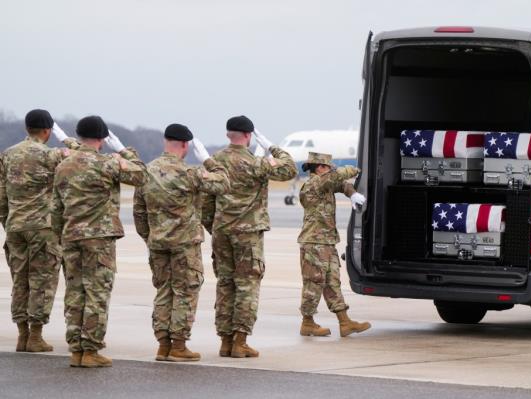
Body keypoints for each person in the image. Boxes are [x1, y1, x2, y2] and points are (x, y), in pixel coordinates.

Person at [51, 116, 147, 368]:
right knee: (97, 293)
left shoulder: (63, 165)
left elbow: (55, 207)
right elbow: (142, 174)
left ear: (79, 136)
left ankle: (76, 349)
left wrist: (62, 233)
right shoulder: (107, 164)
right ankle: (90, 349)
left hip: (71, 236)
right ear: (103, 139)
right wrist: (124, 152)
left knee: (75, 293)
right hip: (99, 239)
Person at [133, 123, 230, 362]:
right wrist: (209, 161)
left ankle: (163, 345)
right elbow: (223, 183)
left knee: (163, 291)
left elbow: (139, 212)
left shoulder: (147, 172)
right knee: (185, 292)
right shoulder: (189, 173)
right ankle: (178, 345)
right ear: (186, 145)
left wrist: (150, 236)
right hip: (185, 244)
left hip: (158, 244)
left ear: (166, 142)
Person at [202, 115, 297, 358]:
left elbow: (206, 202)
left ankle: (224, 341)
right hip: (247, 234)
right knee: (247, 285)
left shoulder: (215, 162)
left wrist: (215, 226)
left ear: (227, 134)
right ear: (248, 136)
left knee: (225, 284)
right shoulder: (254, 162)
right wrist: (271, 147)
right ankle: (240, 341)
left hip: (222, 232)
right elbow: (289, 168)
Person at [0, 109, 80, 353]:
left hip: (15, 227)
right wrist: (66, 139)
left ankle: (22, 335)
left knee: (20, 281)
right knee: (42, 281)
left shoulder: (8, 154)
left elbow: (1, 196)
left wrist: (8, 222)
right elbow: (82, 156)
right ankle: (35, 336)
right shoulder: (52, 155)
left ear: (27, 129)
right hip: (43, 227)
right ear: (47, 131)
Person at [297, 152, 371, 337]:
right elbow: (338, 177)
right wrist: (359, 168)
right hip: (315, 242)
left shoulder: (325, 184)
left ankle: (345, 322)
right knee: (313, 283)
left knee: (332, 282)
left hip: (326, 241)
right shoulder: (316, 182)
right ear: (321, 168)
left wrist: (352, 193)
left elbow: (341, 184)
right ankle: (307, 323)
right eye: (329, 167)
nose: (331, 170)